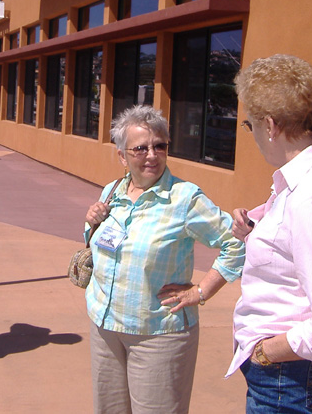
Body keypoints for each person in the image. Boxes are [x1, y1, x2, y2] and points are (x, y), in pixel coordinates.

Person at [225, 54, 312, 413]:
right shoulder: (304, 178)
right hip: (288, 376)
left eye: (250, 125)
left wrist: (265, 352)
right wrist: (256, 227)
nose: (252, 135)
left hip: (289, 377)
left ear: (270, 125)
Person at [84, 105, 245, 414]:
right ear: (122, 156)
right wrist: (90, 223)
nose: (152, 155)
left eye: (160, 146)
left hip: (158, 334)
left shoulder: (185, 199)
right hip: (105, 327)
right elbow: (97, 246)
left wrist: (202, 291)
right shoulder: (112, 192)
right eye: (140, 148)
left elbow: (236, 242)